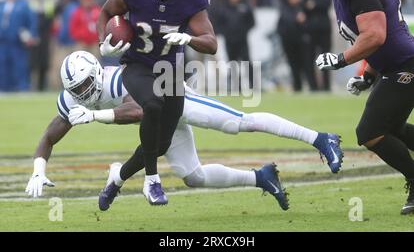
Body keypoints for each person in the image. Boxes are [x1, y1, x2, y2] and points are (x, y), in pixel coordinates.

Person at [25, 51, 344, 212]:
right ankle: (261, 177)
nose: (81, 93)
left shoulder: (114, 79)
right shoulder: (72, 98)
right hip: (161, 125)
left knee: (238, 123)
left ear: (96, 73)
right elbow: (50, 135)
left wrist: (96, 115)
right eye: (75, 89)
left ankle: (319, 138)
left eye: (84, 85)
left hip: (176, 99)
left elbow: (135, 109)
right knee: (194, 176)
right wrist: (39, 169)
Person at [96, 0, 218, 206]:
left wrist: (190, 40)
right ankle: (152, 180)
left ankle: (117, 177)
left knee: (161, 144)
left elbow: (211, 44)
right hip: (137, 65)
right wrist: (103, 43)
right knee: (152, 104)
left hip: (170, 71)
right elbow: (105, 12)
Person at [311, 0, 414, 215]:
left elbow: (375, 36)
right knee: (391, 129)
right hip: (397, 64)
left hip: (405, 65)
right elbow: (386, 37)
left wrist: (341, 60)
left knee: (369, 133)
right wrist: (368, 74)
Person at [0, 0, 38, 91]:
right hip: (3, 41)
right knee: (3, 65)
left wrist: (31, 35)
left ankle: (22, 87)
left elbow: (32, 22)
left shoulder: (23, 5)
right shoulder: (2, 5)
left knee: (19, 66)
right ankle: (4, 88)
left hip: (17, 42)